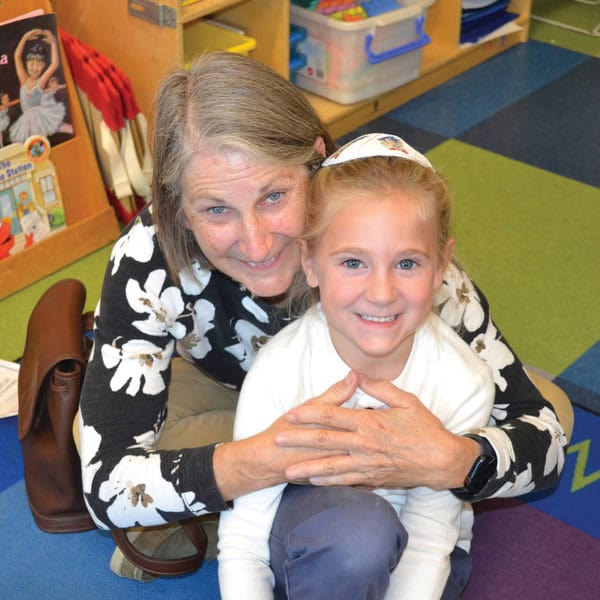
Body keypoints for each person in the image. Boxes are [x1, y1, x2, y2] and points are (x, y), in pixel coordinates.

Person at [77, 52, 570, 583]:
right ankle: (296, 525)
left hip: (358, 394)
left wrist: (448, 459)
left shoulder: (381, 230)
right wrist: (264, 460)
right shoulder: (148, 255)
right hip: (224, 395)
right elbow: (107, 488)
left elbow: (540, 436)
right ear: (177, 203)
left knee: (553, 409)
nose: (257, 242)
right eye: (216, 209)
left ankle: (289, 523)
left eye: (273, 196)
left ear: (316, 162)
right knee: (100, 441)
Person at [218, 133, 496, 599]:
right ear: (309, 264)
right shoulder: (282, 368)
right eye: (352, 262)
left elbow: (430, 541)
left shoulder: (462, 380)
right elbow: (245, 537)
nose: (382, 293)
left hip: (416, 555)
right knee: (360, 537)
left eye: (407, 263)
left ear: (442, 265)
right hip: (313, 531)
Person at [9, 29, 70, 144]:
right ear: (26, 64)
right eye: (31, 64)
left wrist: (53, 43)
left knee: (42, 141)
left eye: (39, 65)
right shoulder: (23, 80)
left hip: (40, 117)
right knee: (31, 145)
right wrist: (25, 37)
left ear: (43, 67)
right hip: (26, 121)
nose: (34, 67)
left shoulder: (40, 82)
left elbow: (55, 64)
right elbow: (17, 56)